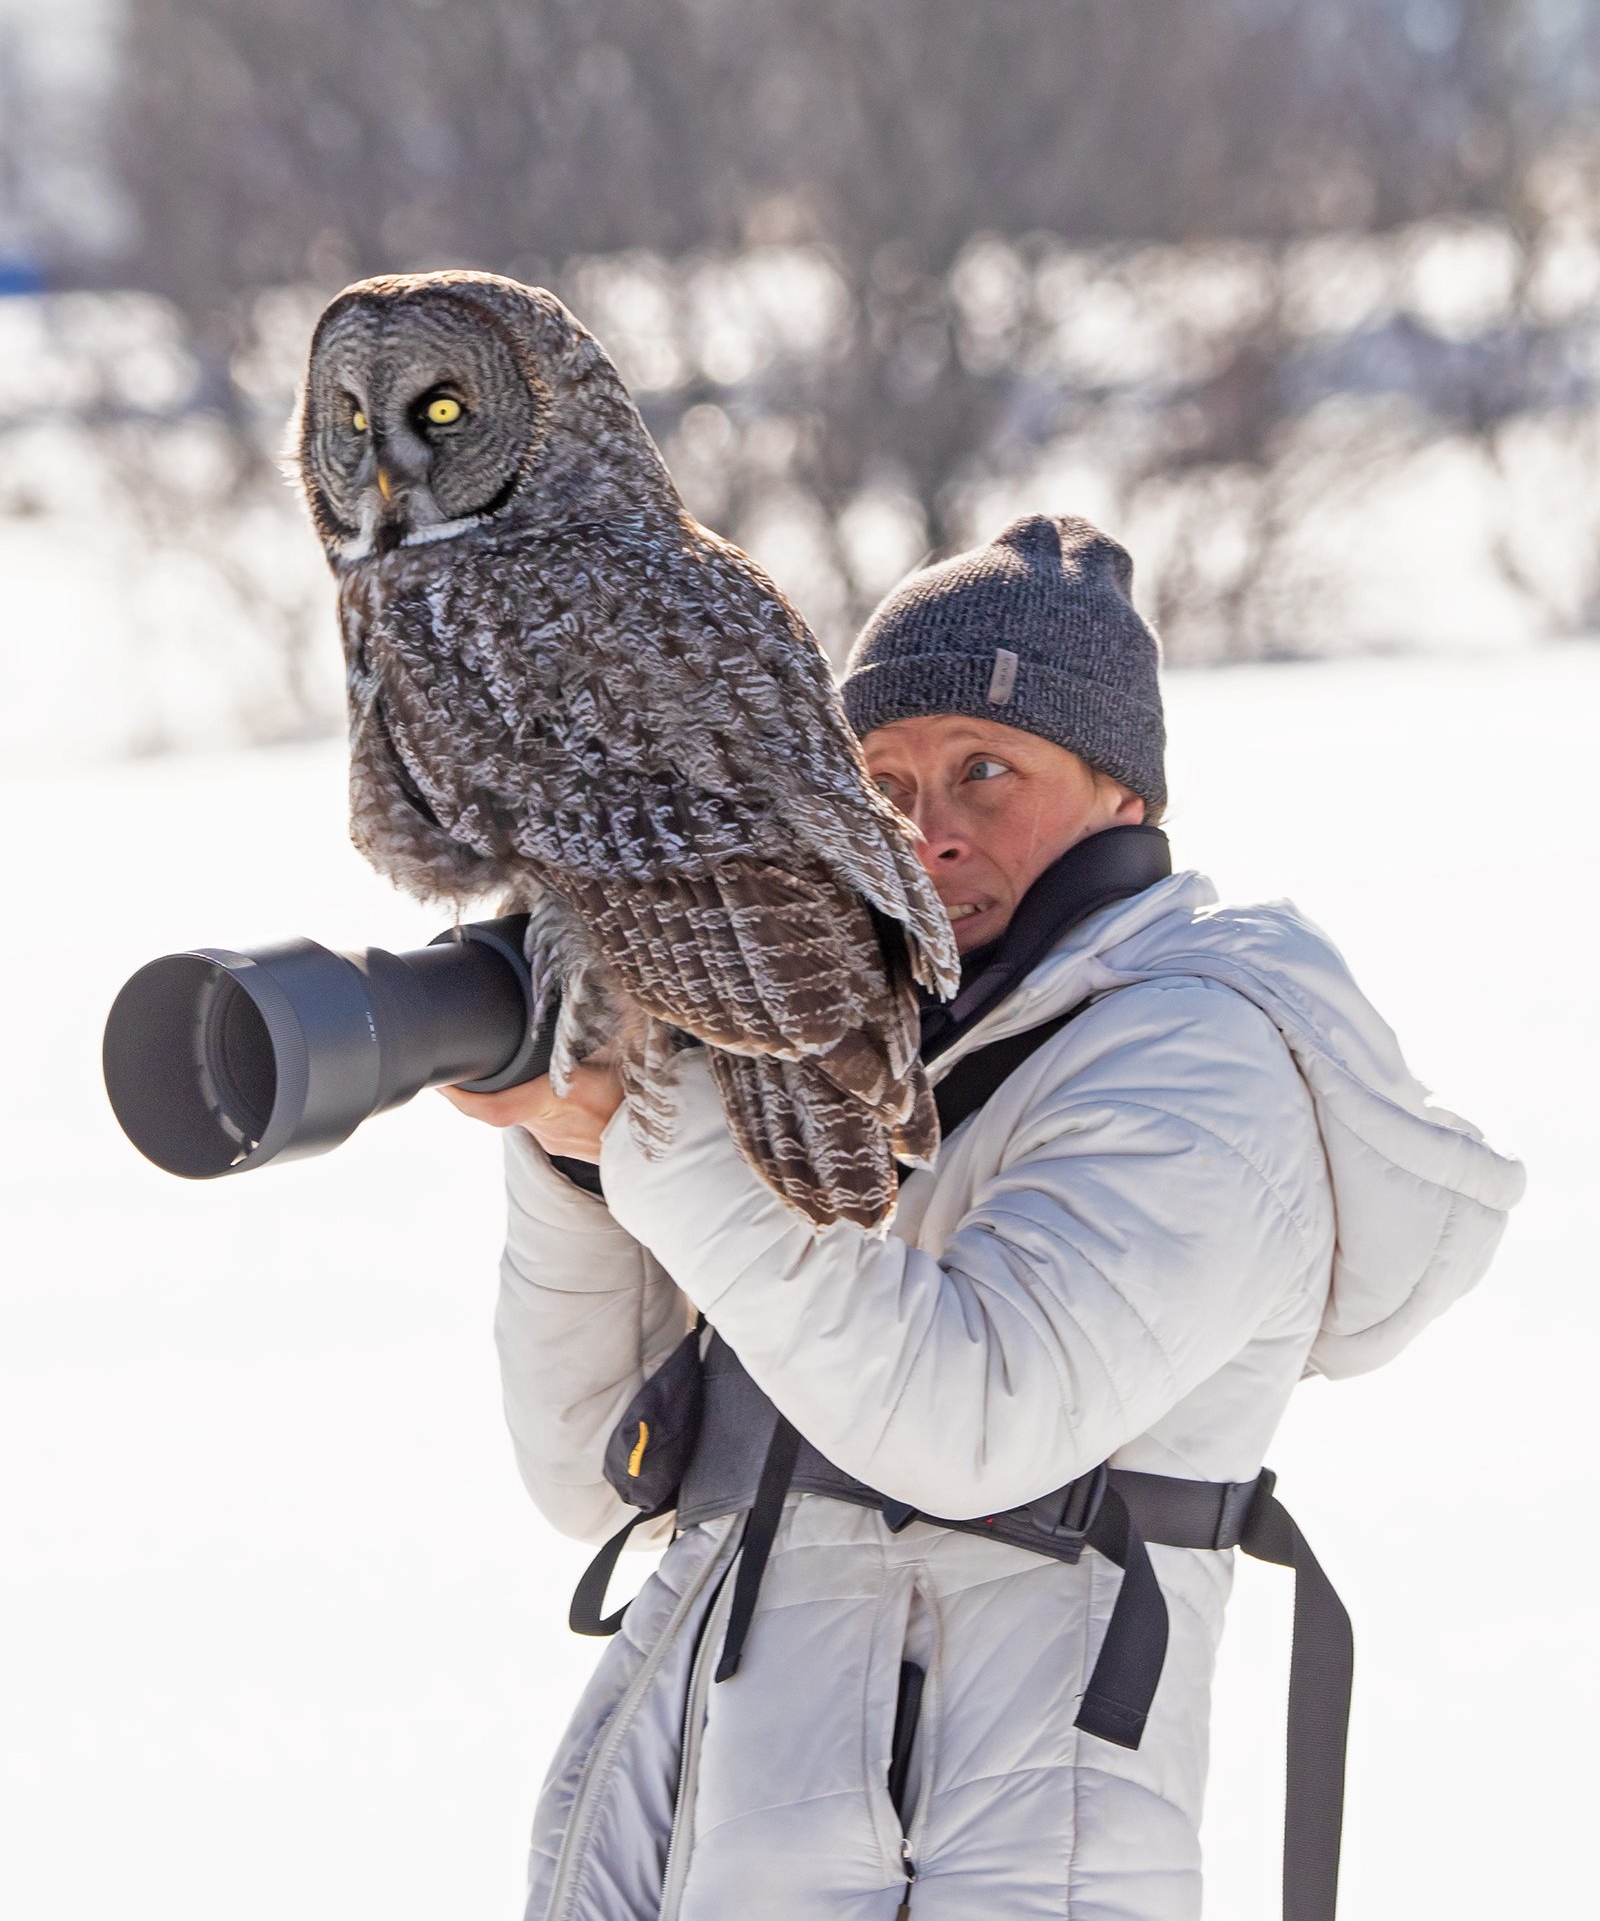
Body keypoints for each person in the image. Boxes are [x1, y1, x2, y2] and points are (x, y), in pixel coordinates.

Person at [446, 514, 1523, 1921]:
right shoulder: (847, 1068)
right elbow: (593, 1474)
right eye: (881, 785)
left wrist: (663, 1141)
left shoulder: (1203, 1065)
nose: (927, 829)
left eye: (986, 772)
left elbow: (972, 1414)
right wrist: (585, 1163)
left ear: (1121, 800)